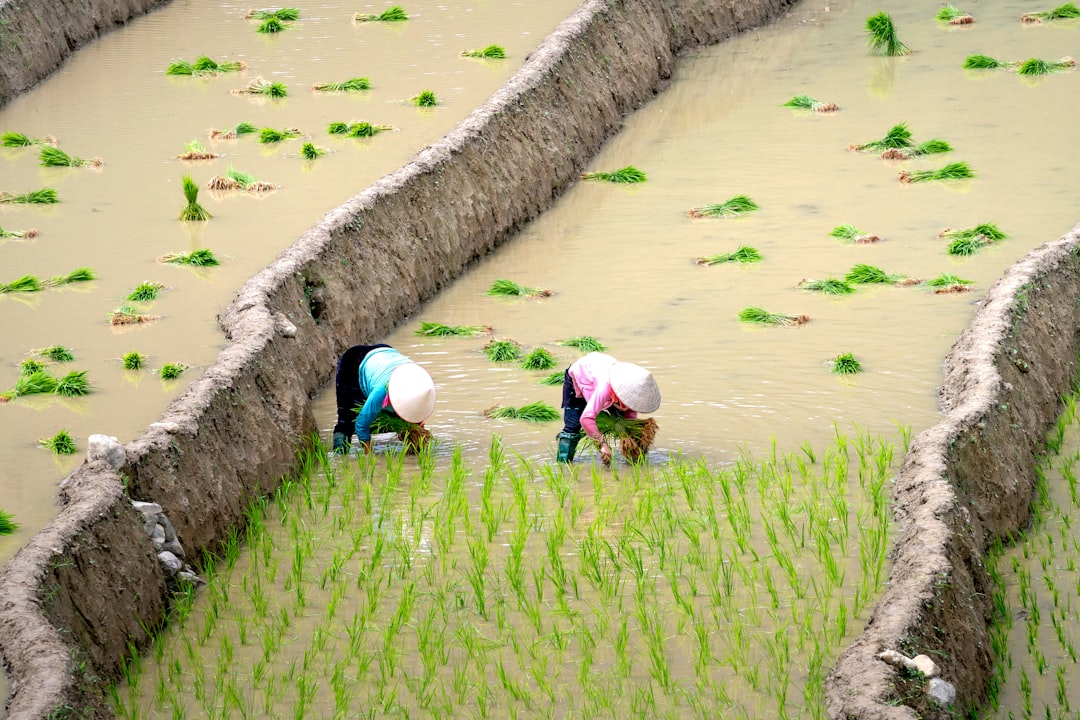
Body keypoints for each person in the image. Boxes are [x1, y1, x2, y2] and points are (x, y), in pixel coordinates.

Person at [556, 352, 660, 464]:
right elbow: (586, 419)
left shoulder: (634, 394)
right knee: (573, 425)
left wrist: (631, 441)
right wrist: (602, 445)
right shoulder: (605, 388)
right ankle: (563, 464)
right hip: (580, 376)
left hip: (603, 374)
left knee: (625, 424)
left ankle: (634, 461)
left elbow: (630, 418)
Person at [332, 344, 436, 453]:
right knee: (347, 420)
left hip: (387, 354)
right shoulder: (382, 392)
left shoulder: (421, 392)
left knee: (399, 421)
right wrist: (369, 456)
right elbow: (361, 424)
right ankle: (339, 455)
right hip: (354, 361)